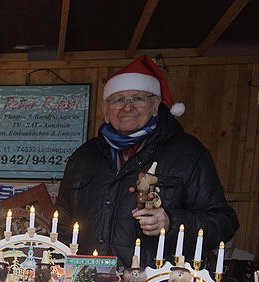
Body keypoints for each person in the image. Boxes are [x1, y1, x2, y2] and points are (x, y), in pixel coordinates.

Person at [57, 55, 238, 268]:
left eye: (138, 98)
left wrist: (171, 223)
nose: (127, 107)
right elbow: (63, 227)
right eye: (118, 99)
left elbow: (224, 223)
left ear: (155, 106)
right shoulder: (84, 156)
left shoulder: (188, 153)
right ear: (106, 111)